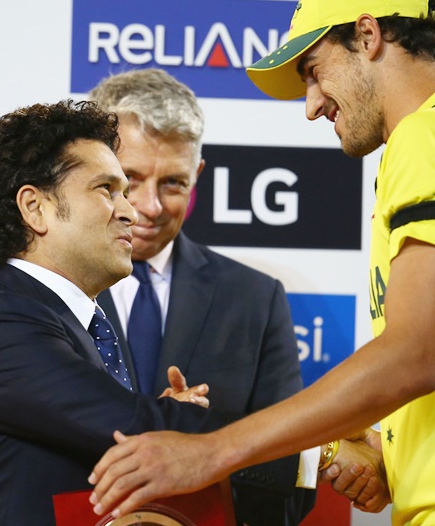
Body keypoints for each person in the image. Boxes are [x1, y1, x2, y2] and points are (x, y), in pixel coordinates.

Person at [88, 0, 435, 524]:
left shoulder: (428, 138)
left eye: (315, 71)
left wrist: (209, 451)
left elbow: (413, 356)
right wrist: (392, 454)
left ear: (368, 36)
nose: (310, 104)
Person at [0, 100, 317, 526]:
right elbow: (127, 422)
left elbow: (101, 434)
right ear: (35, 208)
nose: (131, 211)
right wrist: (319, 450)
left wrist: (161, 428)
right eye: (107, 190)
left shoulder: (73, 323)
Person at [87, 68, 385, 524]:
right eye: (129, 179)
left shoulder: (254, 300)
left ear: (198, 174)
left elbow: (288, 502)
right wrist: (169, 425)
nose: (149, 206)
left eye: (173, 183)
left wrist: (206, 455)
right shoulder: (33, 286)